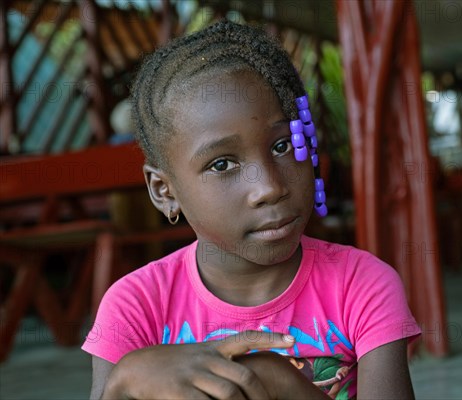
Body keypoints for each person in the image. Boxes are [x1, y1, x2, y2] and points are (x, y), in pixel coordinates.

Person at [83, 19, 421, 400]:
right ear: (164, 191)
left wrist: (279, 384)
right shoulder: (136, 306)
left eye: (282, 146)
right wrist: (125, 379)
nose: (269, 188)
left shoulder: (362, 286)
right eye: (222, 164)